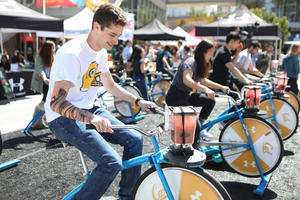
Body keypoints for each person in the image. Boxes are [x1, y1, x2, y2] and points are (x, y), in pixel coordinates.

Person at [44, 4, 153, 200]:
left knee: (135, 139)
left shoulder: (101, 52)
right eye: (112, 34)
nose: (116, 40)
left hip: (89, 109)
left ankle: (127, 196)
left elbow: (110, 86)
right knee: (111, 162)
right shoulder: (72, 53)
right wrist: (92, 118)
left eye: (118, 35)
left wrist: (137, 100)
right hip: (61, 117)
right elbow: (56, 104)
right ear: (96, 27)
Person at [166, 40, 229, 145]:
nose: (212, 56)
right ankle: (193, 150)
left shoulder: (199, 63)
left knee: (210, 101)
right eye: (211, 52)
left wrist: (221, 87)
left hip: (186, 95)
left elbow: (203, 80)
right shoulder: (190, 62)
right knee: (195, 126)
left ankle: (201, 128)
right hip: (175, 97)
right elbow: (187, 80)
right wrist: (205, 89)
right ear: (204, 52)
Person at [31, 40, 56, 110]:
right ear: (48, 49)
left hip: (50, 78)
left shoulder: (53, 57)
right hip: (42, 80)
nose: (54, 49)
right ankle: (40, 106)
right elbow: (39, 69)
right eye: (53, 48)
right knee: (48, 89)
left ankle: (43, 105)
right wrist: (45, 78)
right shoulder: (39, 57)